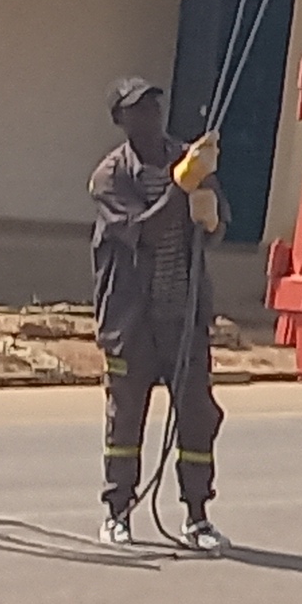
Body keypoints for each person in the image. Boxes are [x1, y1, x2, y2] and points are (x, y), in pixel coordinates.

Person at [88, 76, 226, 548]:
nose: (150, 116)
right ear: (120, 120)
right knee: (126, 418)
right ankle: (117, 513)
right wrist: (180, 185)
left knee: (197, 415)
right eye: (137, 109)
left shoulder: (186, 157)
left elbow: (213, 223)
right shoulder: (110, 177)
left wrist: (210, 214)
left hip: (183, 314)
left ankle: (197, 517)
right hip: (132, 321)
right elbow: (141, 233)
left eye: (154, 106)